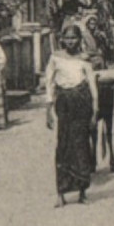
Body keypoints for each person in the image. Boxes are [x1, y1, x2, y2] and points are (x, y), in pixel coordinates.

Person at [45, 24, 99, 207]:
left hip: (82, 103)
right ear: (62, 39)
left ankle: (82, 192)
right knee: (63, 146)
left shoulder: (84, 59)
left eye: (74, 38)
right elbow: (49, 83)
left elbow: (91, 84)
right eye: (67, 38)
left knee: (81, 145)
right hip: (64, 104)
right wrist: (48, 109)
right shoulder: (55, 58)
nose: (70, 41)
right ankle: (61, 193)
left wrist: (95, 108)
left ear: (79, 40)